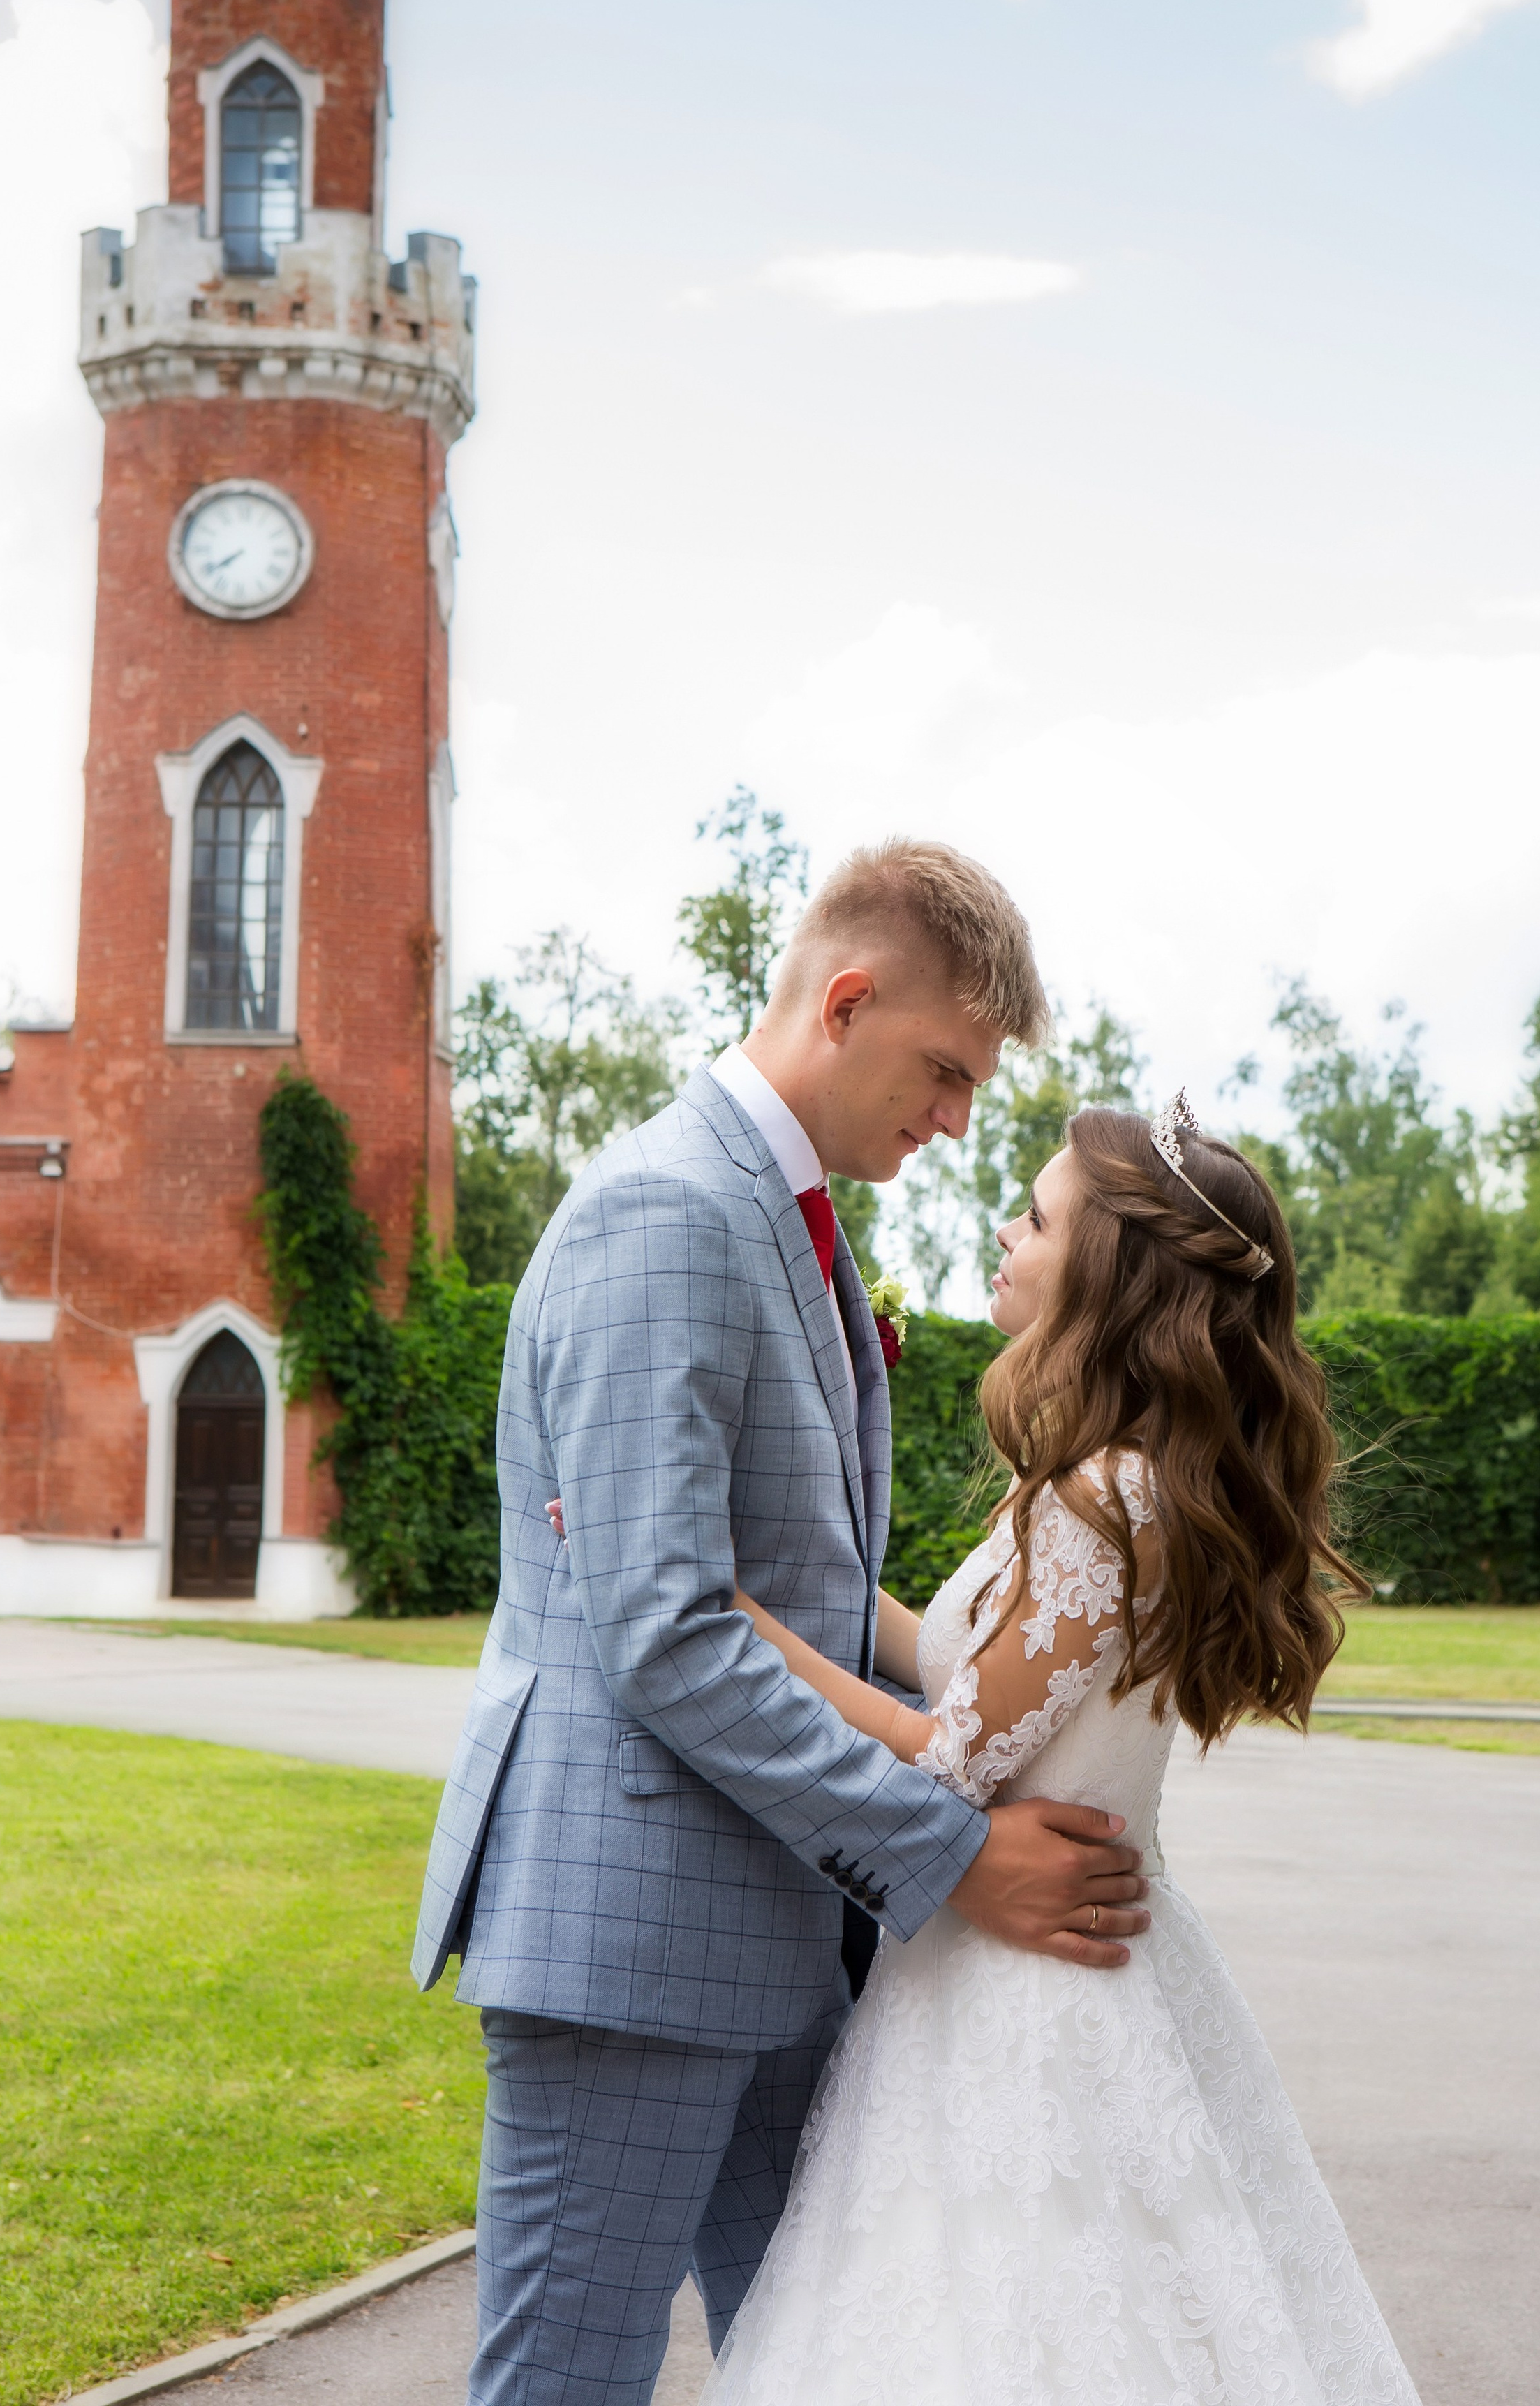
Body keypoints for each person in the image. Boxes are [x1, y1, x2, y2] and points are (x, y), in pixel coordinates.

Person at [413, 839, 1152, 2406]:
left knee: (828, 2366)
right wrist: (951, 1856)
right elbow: (668, 1632)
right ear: (846, 998)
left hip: (782, 1926)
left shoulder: (783, 1221)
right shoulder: (667, 1216)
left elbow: (803, 1587)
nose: (955, 1120)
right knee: (567, 2383)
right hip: (627, 1936)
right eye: (944, 1069)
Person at [699, 1095, 1425, 2405]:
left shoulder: (1099, 1500)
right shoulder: (1143, 1479)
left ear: (1108, 1277)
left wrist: (741, 1620)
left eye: (1034, 1219)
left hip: (1023, 1994)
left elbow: (948, 1762)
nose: (1005, 1230)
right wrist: (824, 1594)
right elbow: (981, 1682)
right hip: (1106, 1953)